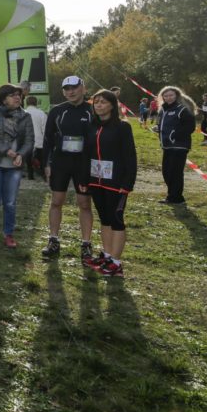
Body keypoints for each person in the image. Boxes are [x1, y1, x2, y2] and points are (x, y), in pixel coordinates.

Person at [82, 89, 137, 277]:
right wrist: (84, 179)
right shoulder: (92, 126)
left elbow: (130, 156)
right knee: (104, 219)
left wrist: (128, 182)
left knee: (116, 220)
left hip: (116, 182)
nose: (98, 105)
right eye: (96, 102)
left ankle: (116, 262)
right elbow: (87, 154)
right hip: (97, 181)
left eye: (103, 102)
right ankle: (106, 255)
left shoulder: (122, 127)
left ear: (112, 105)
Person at [41, 75, 95, 260]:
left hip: (83, 164)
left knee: (84, 203)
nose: (70, 92)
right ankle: (53, 239)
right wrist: (46, 163)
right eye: (66, 89)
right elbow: (47, 139)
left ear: (83, 88)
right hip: (60, 162)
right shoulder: (57, 111)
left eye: (74, 87)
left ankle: (86, 244)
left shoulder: (92, 110)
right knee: (56, 201)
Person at [0, 84, 34, 247]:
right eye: (12, 95)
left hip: (15, 165)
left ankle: (9, 234)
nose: (18, 97)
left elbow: (30, 141)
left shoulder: (26, 116)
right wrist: (5, 150)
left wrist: (21, 155)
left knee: (10, 201)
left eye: (19, 95)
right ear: (3, 99)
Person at [157, 85, 197, 205]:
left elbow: (190, 126)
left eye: (171, 95)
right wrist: (159, 129)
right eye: (166, 95)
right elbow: (166, 125)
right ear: (162, 97)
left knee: (175, 173)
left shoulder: (182, 109)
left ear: (176, 96)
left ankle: (176, 198)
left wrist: (174, 135)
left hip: (179, 146)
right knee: (166, 172)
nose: (168, 98)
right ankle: (172, 196)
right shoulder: (163, 109)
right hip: (167, 146)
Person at [24, 94, 47, 180]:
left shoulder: (23, 113)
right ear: (36, 103)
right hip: (39, 140)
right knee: (42, 159)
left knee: (28, 159)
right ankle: (44, 174)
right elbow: (45, 128)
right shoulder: (41, 113)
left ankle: (30, 175)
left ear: (26, 103)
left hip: (27, 141)